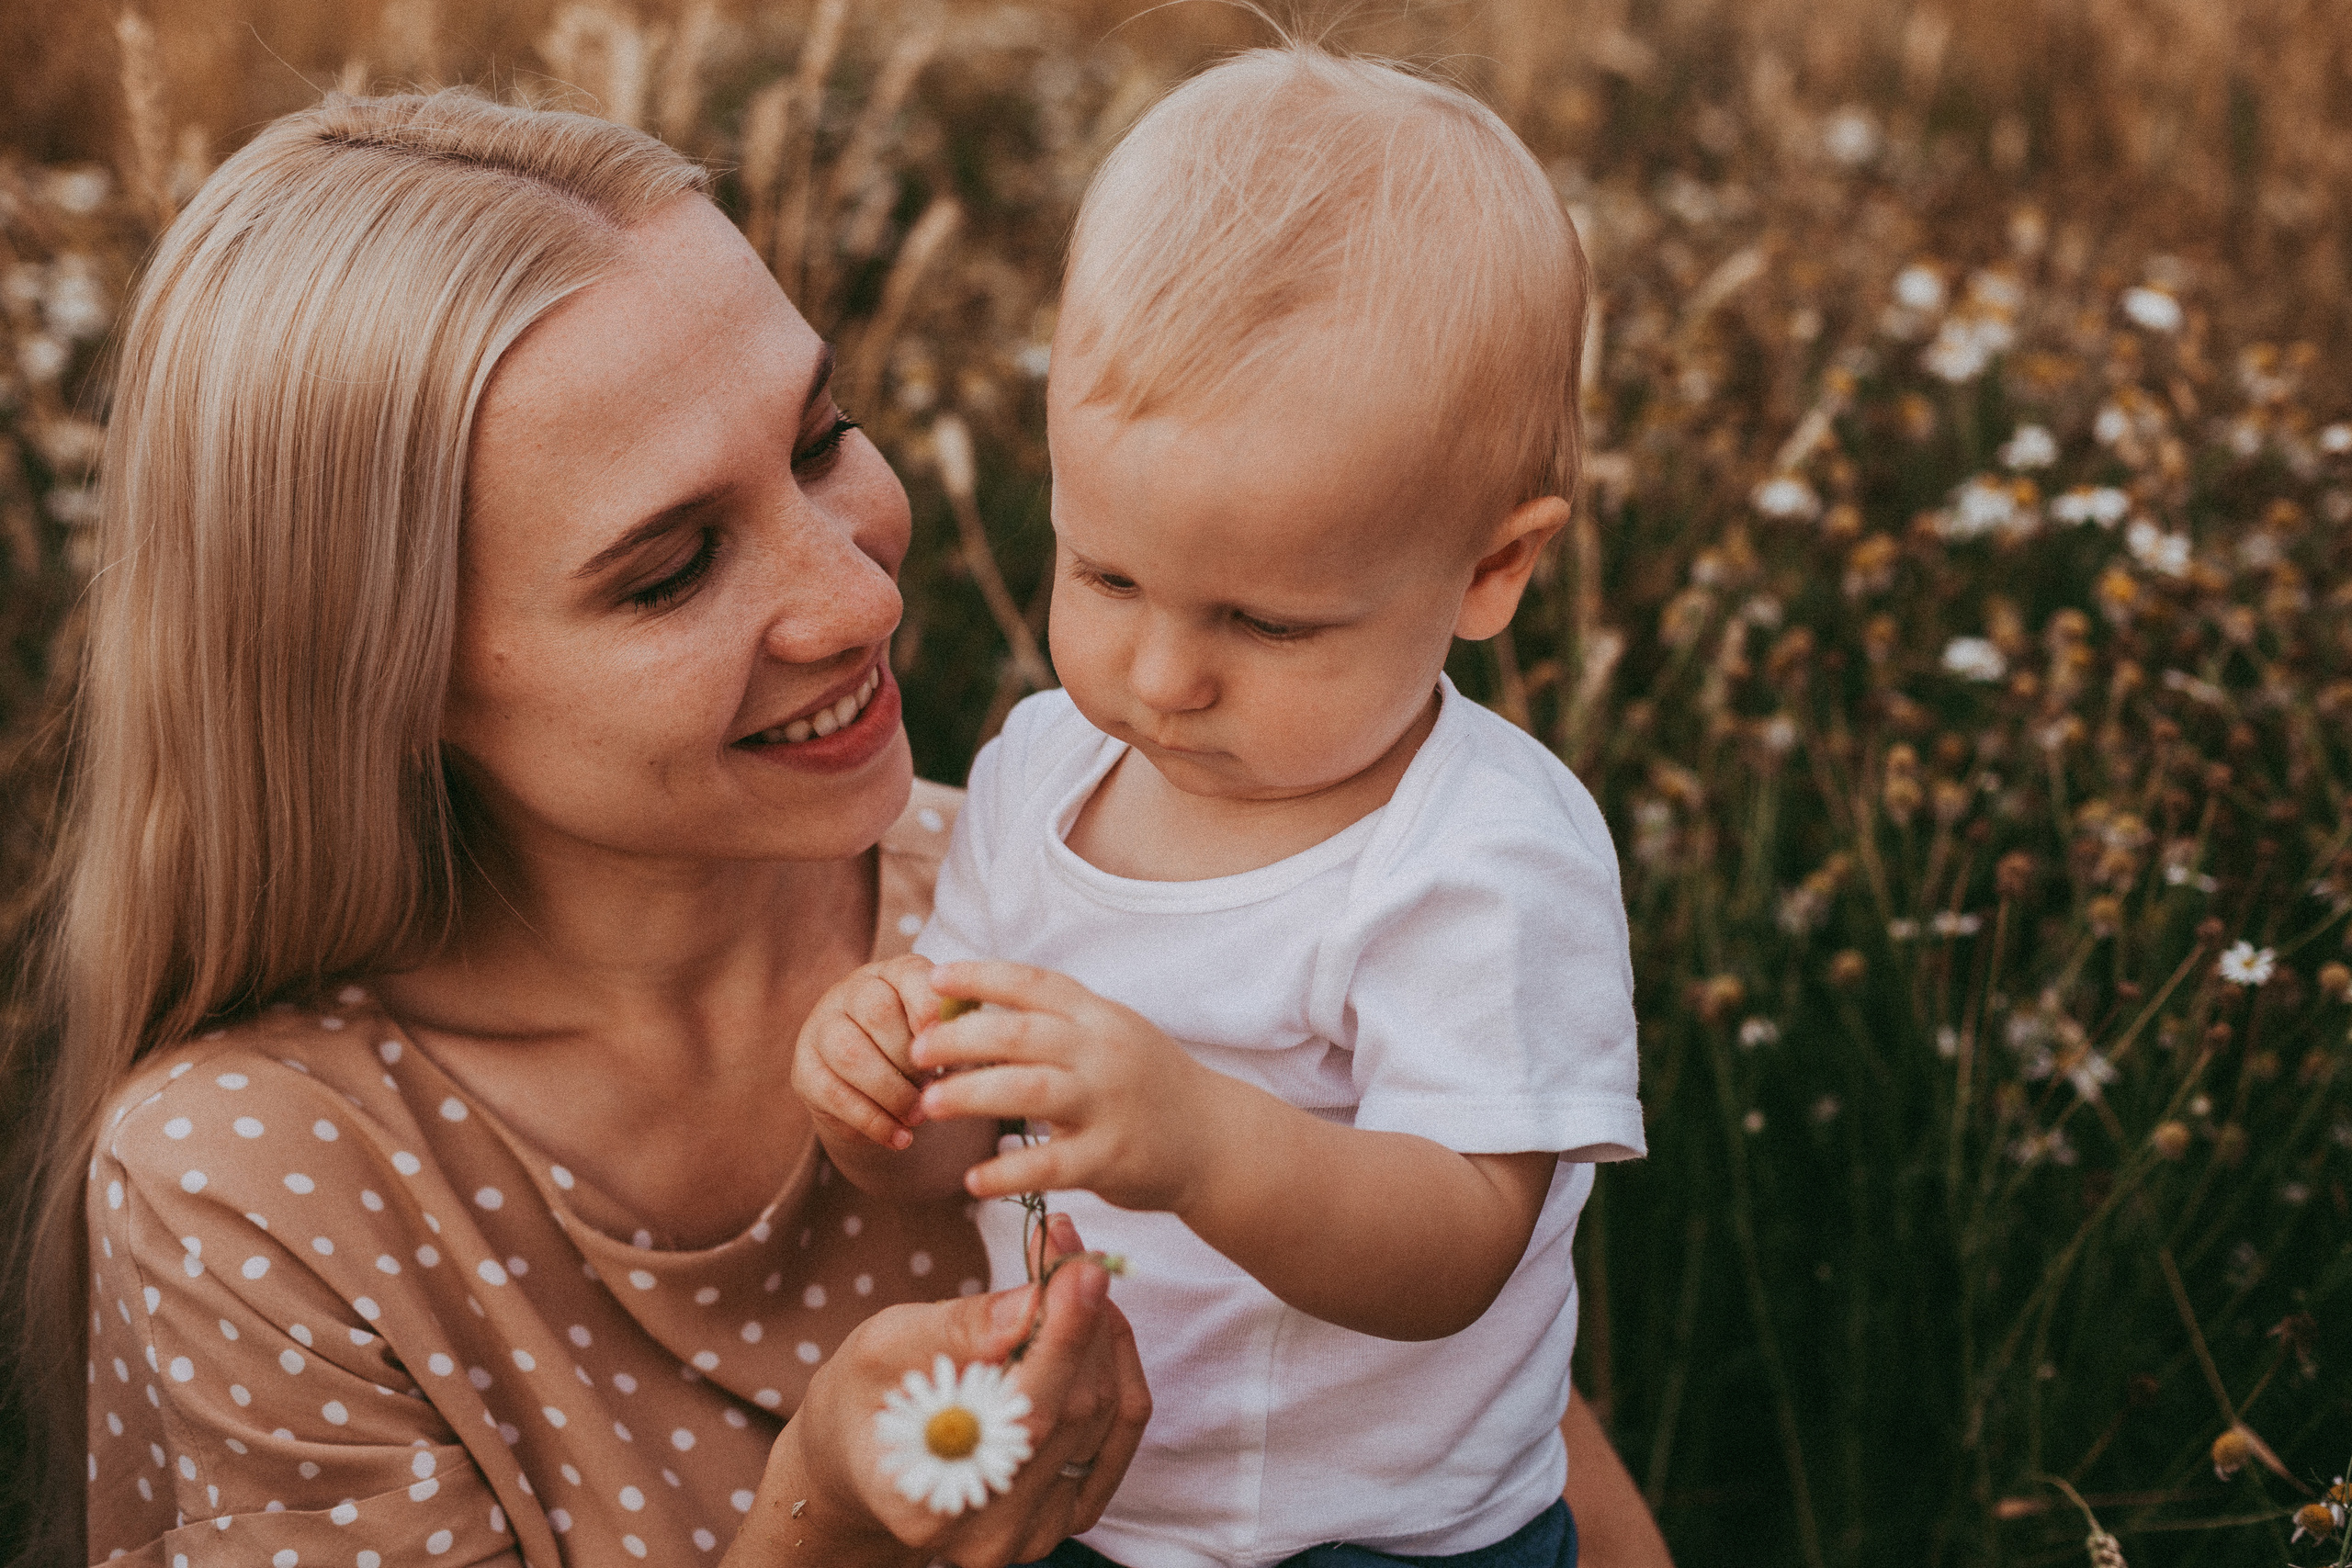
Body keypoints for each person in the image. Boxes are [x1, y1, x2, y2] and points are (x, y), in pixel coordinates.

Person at [6, 89, 1148, 1568]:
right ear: (382, 677)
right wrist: (825, 1523)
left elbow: (1503, 1463)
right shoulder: (265, 1182)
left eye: (821, 439)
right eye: (672, 570)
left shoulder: (1087, 893)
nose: (863, 600)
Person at [792, 44, 1664, 1568]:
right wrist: (887, 1103)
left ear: (1492, 570)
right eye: (1107, 576)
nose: (1164, 675)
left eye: (1266, 625)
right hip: (1075, 1496)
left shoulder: (1481, 854)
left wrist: (1197, 1141)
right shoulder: (1044, 772)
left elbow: (1464, 1241)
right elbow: (977, 1144)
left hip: (1390, 1537)